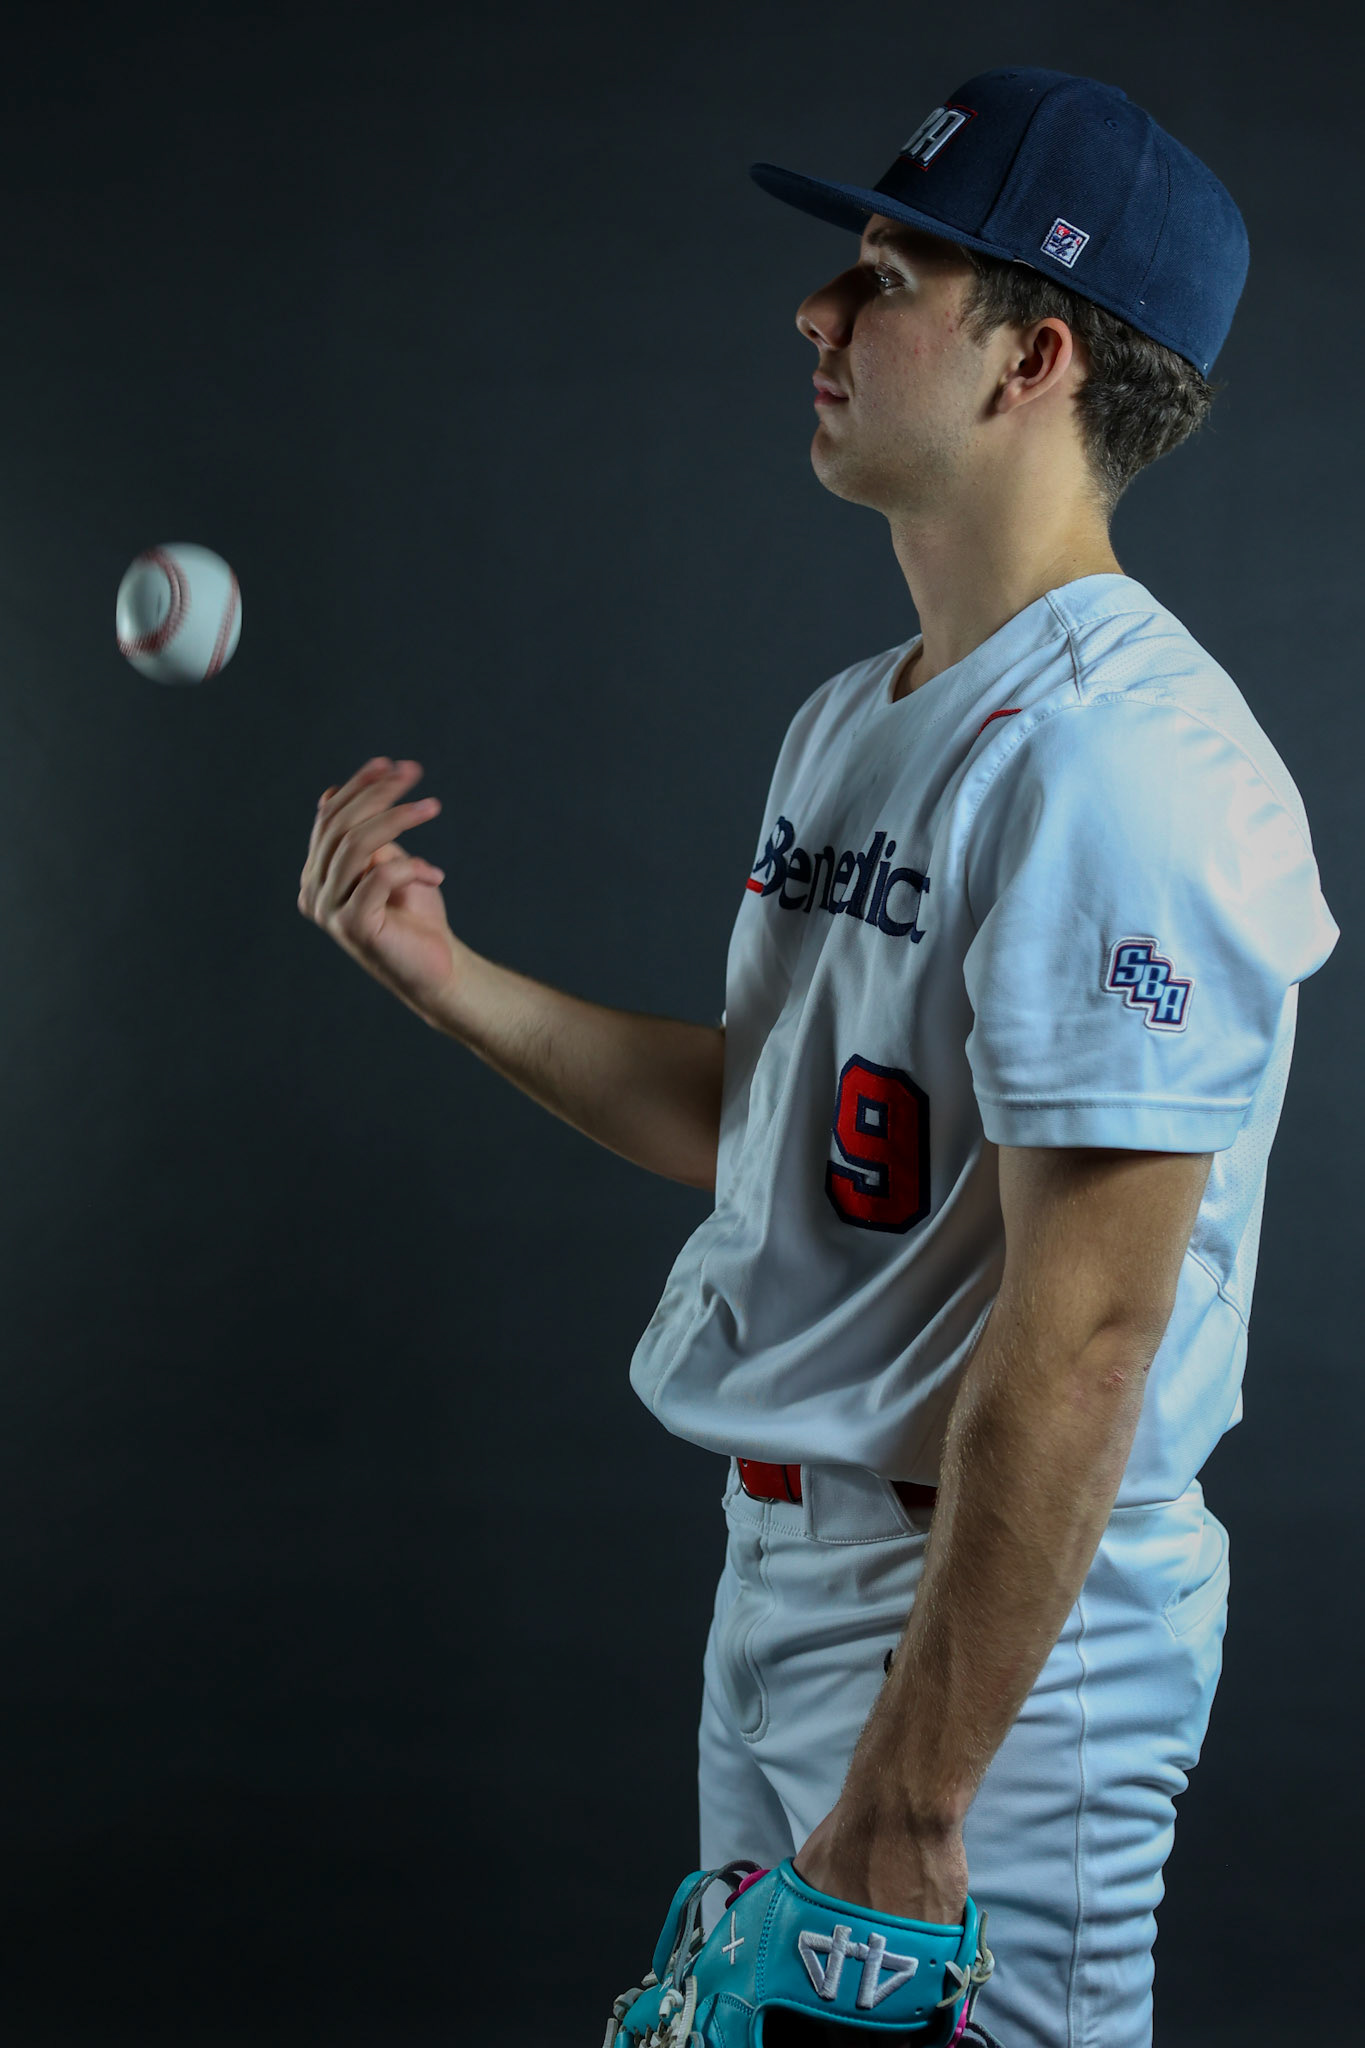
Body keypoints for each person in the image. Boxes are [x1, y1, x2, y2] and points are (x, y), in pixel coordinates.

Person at [297, 67, 1341, 2048]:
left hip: (994, 1633)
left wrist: (920, 1786)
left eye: (879, 277)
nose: (814, 316)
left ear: (1031, 355)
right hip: (789, 1576)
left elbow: (1086, 1330)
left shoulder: (1126, 766)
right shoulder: (856, 717)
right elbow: (786, 1132)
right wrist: (451, 980)